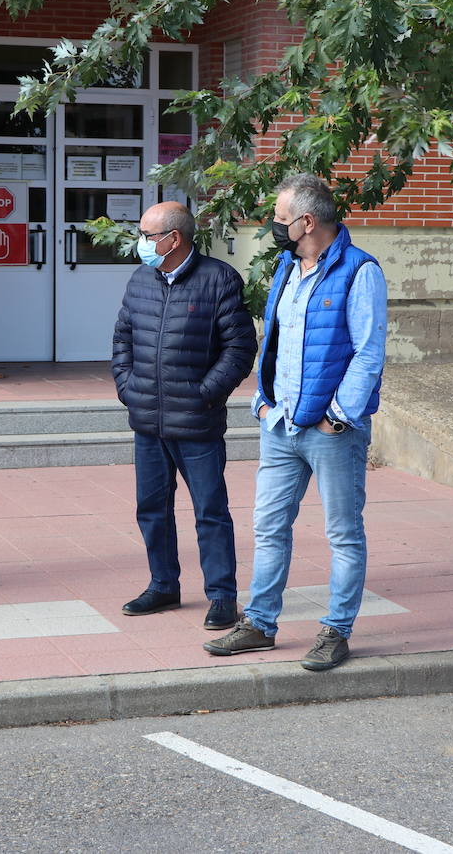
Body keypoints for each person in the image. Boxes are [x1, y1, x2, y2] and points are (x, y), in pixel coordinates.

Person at [204, 174, 387, 671]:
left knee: (343, 533)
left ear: (307, 222)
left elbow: (368, 355)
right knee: (269, 526)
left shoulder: (360, 271)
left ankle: (336, 631)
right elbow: (276, 341)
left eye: (281, 219)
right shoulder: (288, 265)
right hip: (280, 424)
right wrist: (262, 402)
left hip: (331, 431)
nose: (276, 227)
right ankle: (260, 624)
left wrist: (337, 418)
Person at [112, 202, 256, 630]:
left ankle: (222, 596)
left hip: (196, 422)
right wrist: (127, 387)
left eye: (148, 235)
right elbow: (122, 337)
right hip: (148, 421)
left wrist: (203, 395)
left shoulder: (219, 279)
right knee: (151, 508)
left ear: (174, 239)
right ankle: (163, 585)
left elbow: (239, 350)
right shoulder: (141, 279)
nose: (141, 243)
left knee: (210, 510)